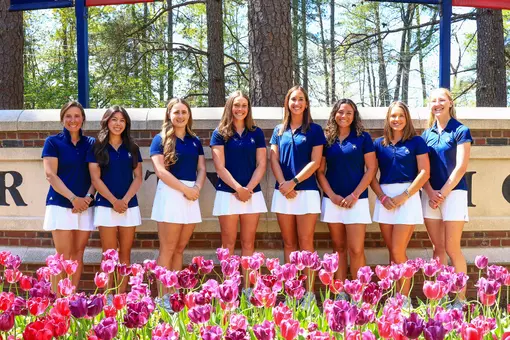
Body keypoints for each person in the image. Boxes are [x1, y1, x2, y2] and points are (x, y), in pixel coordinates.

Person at [270, 85, 326, 296]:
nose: (297, 103)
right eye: (293, 99)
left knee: (306, 243)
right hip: (282, 191)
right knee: (289, 243)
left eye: (301, 99)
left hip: (307, 191)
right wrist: (284, 183)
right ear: (287, 102)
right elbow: (273, 159)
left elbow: (316, 161)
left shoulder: (315, 130)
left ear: (306, 103)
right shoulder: (278, 130)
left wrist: (293, 181)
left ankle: (309, 293)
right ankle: (292, 291)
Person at [370, 101, 430, 298]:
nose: (397, 120)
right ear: (388, 119)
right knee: (392, 253)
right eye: (393, 116)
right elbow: (371, 174)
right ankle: (394, 299)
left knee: (398, 251)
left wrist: (404, 196)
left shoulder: (417, 142)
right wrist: (382, 196)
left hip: (407, 198)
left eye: (401, 116)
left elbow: (424, 172)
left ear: (407, 118)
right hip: (385, 200)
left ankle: (403, 300)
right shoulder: (379, 144)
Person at [317, 99, 376, 293]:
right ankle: (341, 293)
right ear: (334, 114)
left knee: (356, 250)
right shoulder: (327, 139)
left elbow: (371, 169)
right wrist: (332, 195)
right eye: (341, 112)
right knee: (338, 249)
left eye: (349, 112)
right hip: (332, 201)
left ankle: (360, 294)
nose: (344, 116)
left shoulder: (363, 138)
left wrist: (355, 194)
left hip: (356, 201)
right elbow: (320, 172)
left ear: (354, 115)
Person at [210, 91, 267, 291]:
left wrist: (248, 189)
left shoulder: (256, 132)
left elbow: (262, 164)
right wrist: (237, 188)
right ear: (229, 107)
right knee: (228, 245)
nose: (240, 109)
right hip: (228, 193)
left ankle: (249, 290)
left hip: (252, 194)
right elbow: (219, 167)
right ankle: (229, 289)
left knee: (249, 243)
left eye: (244, 105)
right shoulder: (219, 133)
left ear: (248, 108)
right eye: (236, 105)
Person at [150, 98, 206, 299]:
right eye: (176, 112)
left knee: (180, 249)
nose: (180, 116)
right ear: (169, 115)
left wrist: (196, 188)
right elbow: (160, 171)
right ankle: (163, 297)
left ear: (189, 115)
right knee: (168, 248)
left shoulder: (195, 140)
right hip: (171, 195)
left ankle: (174, 295)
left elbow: (202, 169)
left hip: (191, 196)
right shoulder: (160, 139)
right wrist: (185, 189)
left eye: (184, 112)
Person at [421, 88, 472, 306]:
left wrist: (443, 192)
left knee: (452, 248)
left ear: (450, 103)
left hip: (454, 194)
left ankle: (459, 300)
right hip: (430, 195)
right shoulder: (426, 135)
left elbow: (461, 167)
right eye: (433, 101)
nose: (437, 104)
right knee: (438, 249)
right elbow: (421, 169)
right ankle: (438, 298)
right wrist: (431, 192)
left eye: (442, 100)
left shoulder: (461, 130)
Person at [88, 106, 143, 294]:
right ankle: (108, 298)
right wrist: (114, 201)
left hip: (129, 206)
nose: (118, 123)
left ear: (126, 123)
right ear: (106, 122)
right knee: (109, 254)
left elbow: (138, 177)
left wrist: (125, 200)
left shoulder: (133, 148)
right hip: (105, 206)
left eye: (121, 120)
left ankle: (122, 297)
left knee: (125, 253)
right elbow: (95, 179)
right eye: (114, 119)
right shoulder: (97, 147)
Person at [42, 101, 95, 291]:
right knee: (62, 256)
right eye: (68, 116)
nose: (73, 120)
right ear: (62, 119)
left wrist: (87, 198)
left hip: (85, 206)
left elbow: (96, 175)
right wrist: (74, 199)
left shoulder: (91, 144)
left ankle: (71, 301)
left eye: (77, 116)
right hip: (60, 205)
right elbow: (50, 175)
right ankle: (58, 302)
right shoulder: (53, 142)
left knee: (78, 254)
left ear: (83, 119)